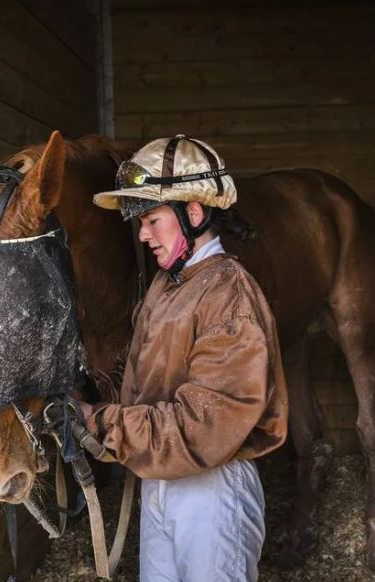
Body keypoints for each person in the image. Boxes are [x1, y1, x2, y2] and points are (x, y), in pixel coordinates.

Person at [82, 135, 288, 581]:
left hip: (211, 491)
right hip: (161, 478)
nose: (143, 234)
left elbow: (203, 425)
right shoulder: (169, 283)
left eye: (153, 219)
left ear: (193, 213)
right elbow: (146, 387)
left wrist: (100, 421)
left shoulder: (227, 292)